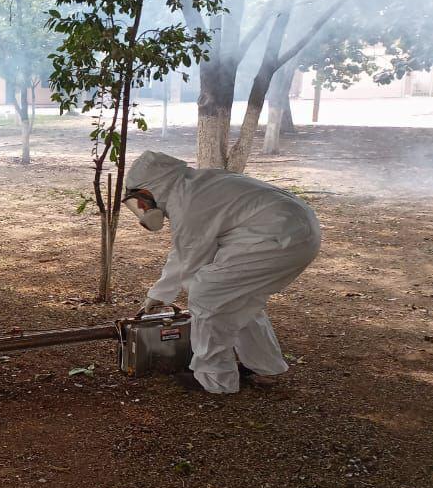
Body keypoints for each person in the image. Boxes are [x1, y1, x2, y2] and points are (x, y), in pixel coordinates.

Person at [122, 150, 321, 394]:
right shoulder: (194, 185)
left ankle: (214, 379)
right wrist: (160, 293)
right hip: (297, 234)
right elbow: (184, 250)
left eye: (141, 199)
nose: (142, 207)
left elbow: (190, 260)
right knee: (237, 298)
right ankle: (264, 367)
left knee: (208, 295)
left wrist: (164, 293)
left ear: (155, 187)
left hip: (278, 239)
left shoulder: (187, 203)